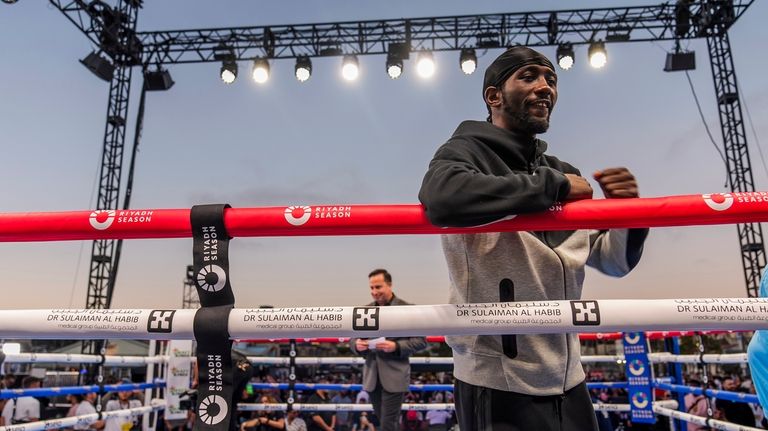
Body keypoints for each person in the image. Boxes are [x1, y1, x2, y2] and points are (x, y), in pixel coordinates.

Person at [418, 45, 649, 430]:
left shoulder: (563, 171)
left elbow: (612, 260)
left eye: (551, 80)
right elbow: (441, 197)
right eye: (529, 77)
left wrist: (630, 214)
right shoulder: (467, 152)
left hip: (568, 377)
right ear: (494, 96)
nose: (545, 87)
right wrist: (550, 186)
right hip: (495, 379)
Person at [351, 269, 427, 431]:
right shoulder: (366, 311)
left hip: (395, 376)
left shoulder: (407, 309)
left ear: (390, 285)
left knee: (388, 424)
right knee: (384, 422)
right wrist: (357, 345)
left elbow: (421, 341)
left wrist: (396, 346)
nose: (374, 292)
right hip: (372, 377)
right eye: (371, 288)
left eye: (378, 287)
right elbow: (352, 339)